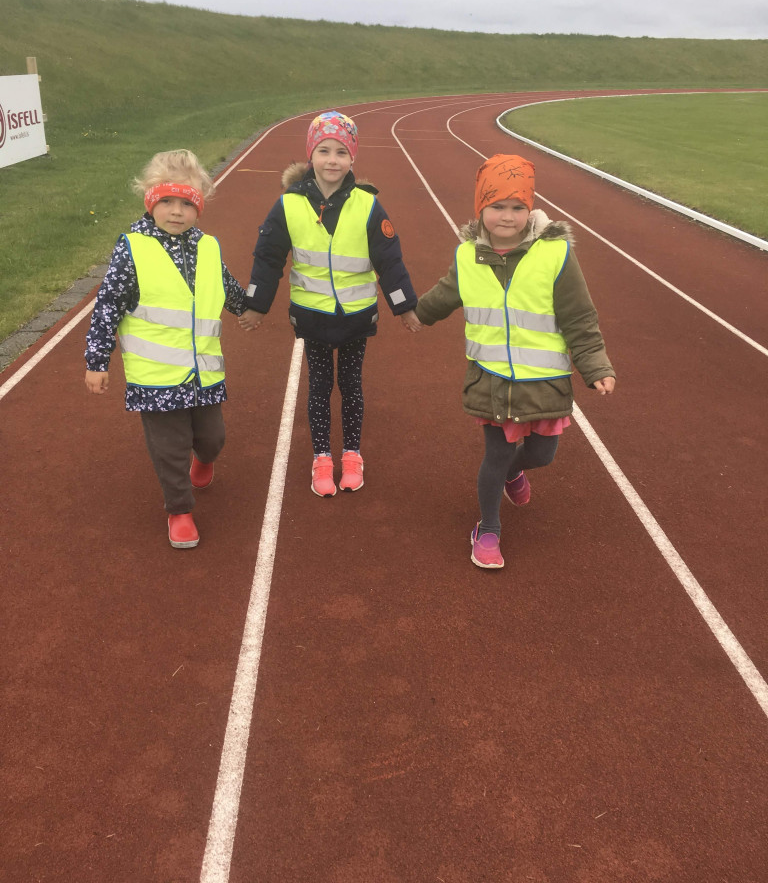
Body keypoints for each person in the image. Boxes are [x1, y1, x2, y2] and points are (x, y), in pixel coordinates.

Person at [413, 154, 615, 570]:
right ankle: (488, 528)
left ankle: (513, 472)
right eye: (497, 206)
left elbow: (579, 316)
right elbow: (446, 293)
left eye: (517, 207)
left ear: (530, 209)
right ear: (480, 209)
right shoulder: (467, 256)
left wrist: (595, 366)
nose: (507, 216)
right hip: (491, 379)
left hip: (545, 381)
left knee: (542, 454)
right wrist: (416, 314)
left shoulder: (555, 255)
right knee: (496, 454)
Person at [239, 110, 420, 496]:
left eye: (341, 152)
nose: (332, 160)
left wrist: (404, 306)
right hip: (313, 318)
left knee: (351, 385)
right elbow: (268, 258)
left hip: (356, 317)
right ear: (311, 155)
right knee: (320, 386)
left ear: (353, 157)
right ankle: (322, 457)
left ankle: (352, 454)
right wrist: (256, 304)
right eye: (324, 151)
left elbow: (389, 260)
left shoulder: (368, 205)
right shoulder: (288, 205)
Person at [84, 149, 248, 549]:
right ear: (150, 201)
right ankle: (179, 510)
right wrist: (97, 360)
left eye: (187, 203)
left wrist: (251, 307)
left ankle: (204, 460)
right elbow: (108, 306)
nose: (177, 211)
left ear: (199, 206)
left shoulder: (208, 246)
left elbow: (227, 288)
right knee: (170, 449)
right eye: (167, 201)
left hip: (204, 373)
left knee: (213, 438)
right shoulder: (133, 248)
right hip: (156, 379)